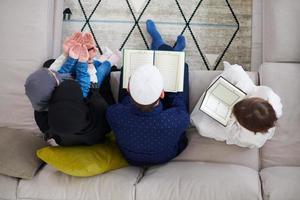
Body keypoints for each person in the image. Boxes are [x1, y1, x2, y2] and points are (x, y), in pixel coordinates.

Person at [106, 19, 190, 166]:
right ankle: (171, 52)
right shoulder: (178, 120)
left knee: (127, 69)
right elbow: (179, 106)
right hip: (166, 155)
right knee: (181, 74)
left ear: (129, 89)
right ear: (162, 94)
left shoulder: (115, 115)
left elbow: (121, 106)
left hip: (132, 158)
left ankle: (161, 45)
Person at [25, 32, 120, 146]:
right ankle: (105, 62)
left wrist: (68, 56)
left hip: (68, 139)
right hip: (95, 118)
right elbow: (91, 86)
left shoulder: (41, 112)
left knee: (50, 64)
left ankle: (98, 61)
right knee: (101, 78)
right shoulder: (99, 110)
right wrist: (87, 61)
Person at [190, 61, 283, 148]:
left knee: (203, 127)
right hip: (247, 94)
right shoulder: (269, 96)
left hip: (233, 126)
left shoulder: (248, 137)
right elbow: (255, 89)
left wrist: (230, 118)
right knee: (235, 71)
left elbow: (229, 132)